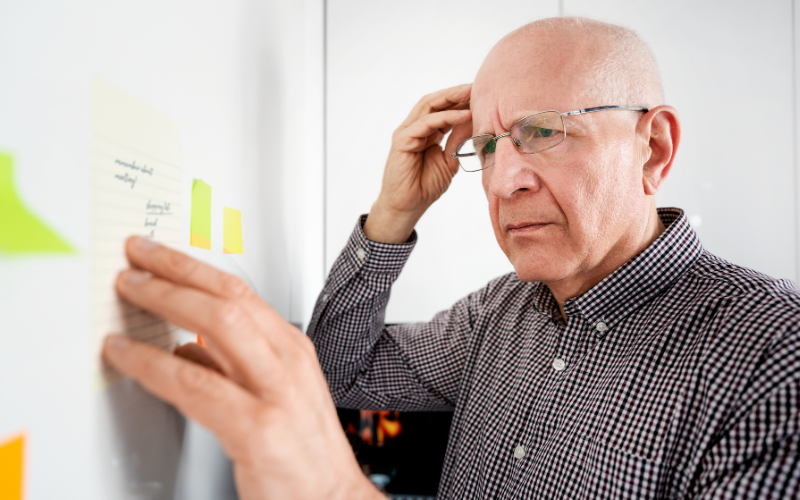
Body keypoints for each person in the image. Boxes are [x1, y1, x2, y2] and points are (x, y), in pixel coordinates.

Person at [103, 16, 800, 500]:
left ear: (653, 148)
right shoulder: (501, 311)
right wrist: (394, 213)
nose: (503, 181)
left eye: (543, 133)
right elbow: (343, 372)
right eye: (488, 147)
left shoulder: (775, 356)